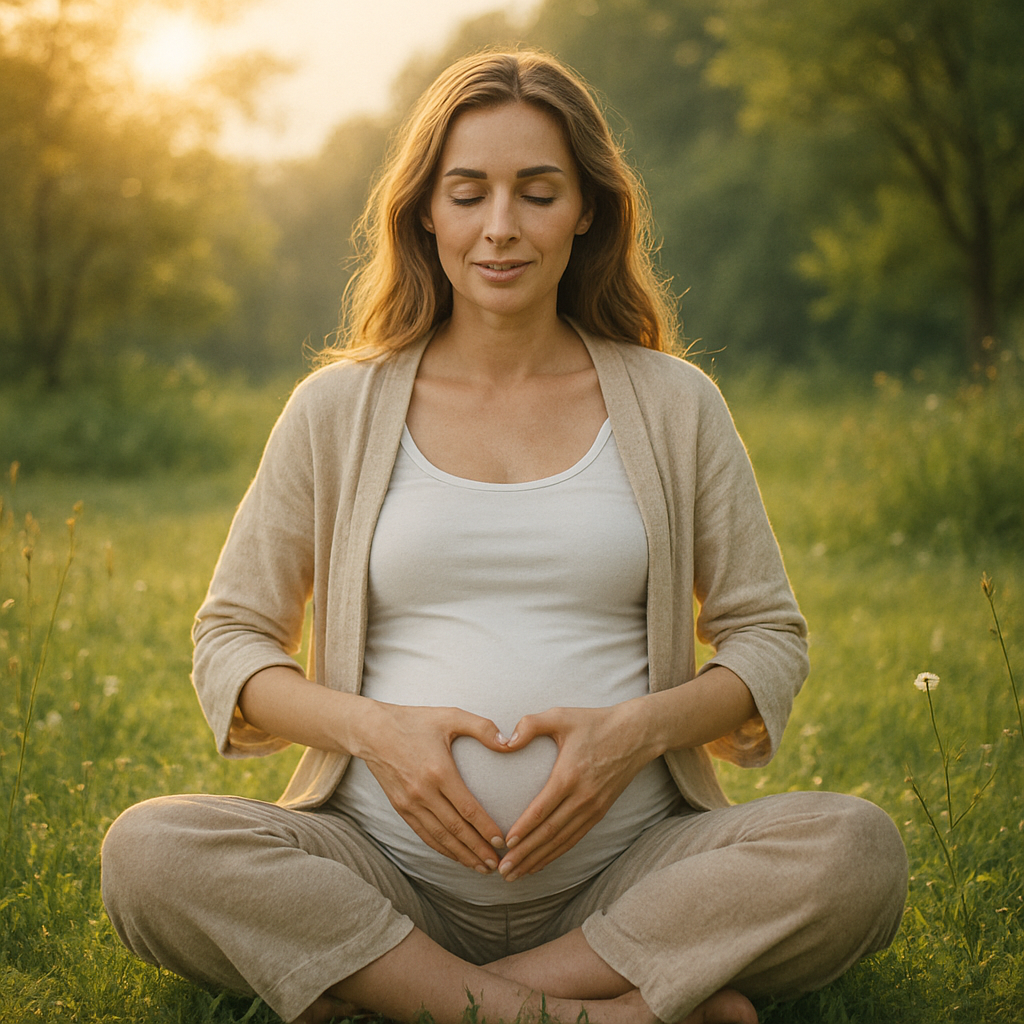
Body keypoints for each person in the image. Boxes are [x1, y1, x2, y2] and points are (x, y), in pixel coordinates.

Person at [101, 50, 908, 1024]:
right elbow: (231, 639)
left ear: (587, 211)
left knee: (856, 848)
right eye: (468, 191)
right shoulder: (337, 408)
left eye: (536, 192)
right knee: (148, 852)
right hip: (384, 876)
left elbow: (767, 639)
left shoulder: (674, 404)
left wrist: (632, 736)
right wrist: (375, 733)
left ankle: (417, 998)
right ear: (425, 213)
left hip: (626, 875)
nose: (499, 227)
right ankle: (586, 1013)